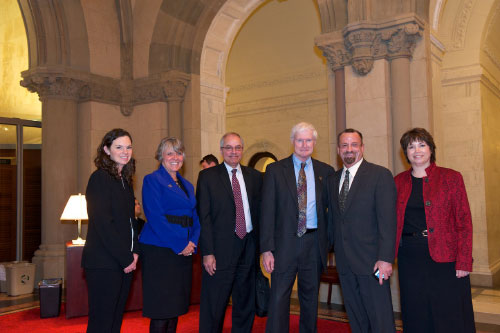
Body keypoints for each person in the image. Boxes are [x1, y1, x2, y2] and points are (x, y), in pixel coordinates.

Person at [394, 128, 475, 332]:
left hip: (445, 257)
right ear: (406, 152)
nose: (417, 150)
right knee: (415, 311)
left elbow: (464, 221)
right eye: (411, 146)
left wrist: (464, 260)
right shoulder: (398, 182)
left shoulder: (451, 177)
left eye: (422, 145)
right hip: (409, 257)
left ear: (431, 149)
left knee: (448, 312)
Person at [260, 122, 335, 332]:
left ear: (314, 143)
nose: (304, 144)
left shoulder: (326, 171)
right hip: (284, 245)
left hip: (313, 244)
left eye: (308, 140)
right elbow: (266, 212)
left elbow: (332, 213)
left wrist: (328, 244)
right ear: (293, 142)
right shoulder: (275, 170)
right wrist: (267, 249)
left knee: (310, 299)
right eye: (300, 140)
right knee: (279, 299)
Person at [327, 128, 397, 333]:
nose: (349, 149)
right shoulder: (333, 180)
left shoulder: (380, 175)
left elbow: (388, 221)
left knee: (380, 319)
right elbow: (334, 220)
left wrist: (385, 258)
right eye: (345, 145)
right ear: (339, 150)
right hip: (345, 263)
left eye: (354, 145)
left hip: (373, 263)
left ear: (362, 148)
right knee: (356, 318)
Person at [196, 132, 262, 333]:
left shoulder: (256, 177)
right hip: (220, 250)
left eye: (238, 147)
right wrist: (207, 252)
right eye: (229, 148)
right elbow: (203, 217)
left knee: (245, 303)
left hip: (248, 246)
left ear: (242, 149)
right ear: (222, 150)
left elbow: (261, 212)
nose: (234, 152)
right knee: (214, 304)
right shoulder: (208, 176)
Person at [140, 137, 200, 333]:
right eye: (170, 153)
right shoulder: (152, 180)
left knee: (175, 308)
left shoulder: (187, 185)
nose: (176, 157)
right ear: (161, 157)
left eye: (179, 153)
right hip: (160, 251)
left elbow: (195, 217)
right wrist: (180, 244)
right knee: (161, 309)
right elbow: (155, 217)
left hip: (183, 251)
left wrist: (192, 241)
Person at [82, 128, 139, 333]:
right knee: (102, 322)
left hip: (124, 261)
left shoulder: (125, 180)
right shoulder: (99, 179)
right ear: (107, 150)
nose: (125, 151)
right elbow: (103, 224)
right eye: (119, 147)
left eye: (128, 147)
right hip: (104, 263)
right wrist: (125, 258)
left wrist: (135, 252)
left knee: (115, 321)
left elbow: (131, 222)